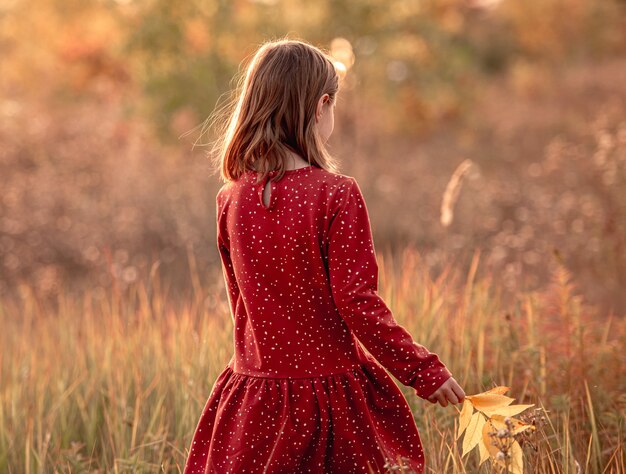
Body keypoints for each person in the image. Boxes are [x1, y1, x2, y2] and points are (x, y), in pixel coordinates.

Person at [183, 38, 465, 474]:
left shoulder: (230, 199)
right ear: (321, 106)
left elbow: (242, 307)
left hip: (253, 402)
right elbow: (358, 303)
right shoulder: (336, 195)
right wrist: (424, 371)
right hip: (328, 402)